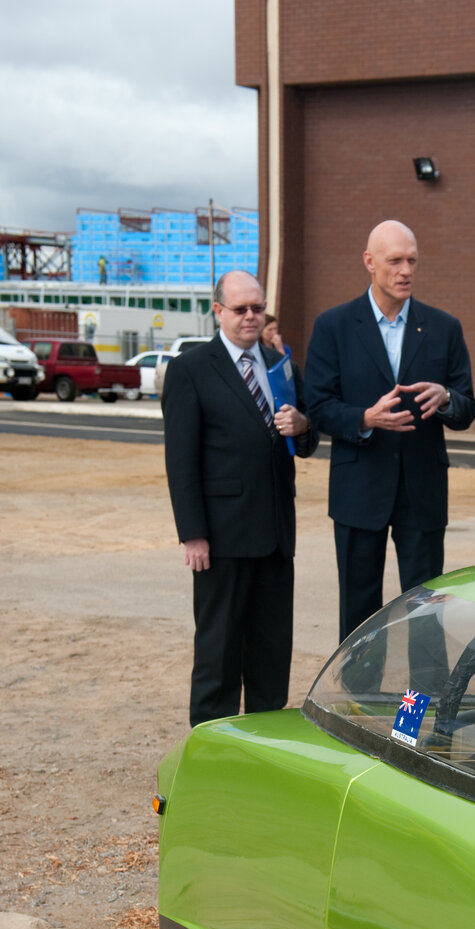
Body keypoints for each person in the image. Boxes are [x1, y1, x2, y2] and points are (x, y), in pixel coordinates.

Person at [305, 220, 475, 644]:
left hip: (422, 491)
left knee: (426, 614)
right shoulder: (334, 326)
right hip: (359, 490)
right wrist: (365, 419)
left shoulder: (444, 327)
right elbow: (318, 407)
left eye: (412, 261)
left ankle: (420, 706)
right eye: (394, 261)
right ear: (369, 262)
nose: (405, 270)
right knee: (360, 612)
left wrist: (447, 398)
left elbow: (467, 407)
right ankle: (358, 704)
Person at [163, 269, 317, 727]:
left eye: (258, 308)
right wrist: (193, 534)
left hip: (274, 536)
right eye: (241, 309)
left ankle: (264, 745)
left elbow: (304, 440)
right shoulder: (190, 369)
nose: (251, 317)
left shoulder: (279, 363)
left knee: (272, 650)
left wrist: (304, 427)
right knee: (219, 651)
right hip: (222, 539)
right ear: (217, 311)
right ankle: (211, 742)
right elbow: (181, 460)